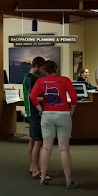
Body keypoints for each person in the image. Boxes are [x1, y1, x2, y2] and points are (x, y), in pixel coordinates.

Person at [30, 60, 78, 189]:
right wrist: (72, 110)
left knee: (46, 147)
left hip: (47, 115)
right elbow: (74, 96)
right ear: (56, 69)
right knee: (64, 149)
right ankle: (68, 181)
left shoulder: (41, 81)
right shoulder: (65, 80)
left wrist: (40, 109)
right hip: (63, 115)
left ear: (44, 70)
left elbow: (32, 96)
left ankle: (42, 177)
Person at [23, 56, 46, 179]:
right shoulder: (31, 79)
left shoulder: (27, 77)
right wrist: (48, 98)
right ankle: (36, 170)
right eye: (42, 67)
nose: (43, 70)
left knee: (32, 140)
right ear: (37, 65)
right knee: (38, 141)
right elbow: (34, 97)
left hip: (30, 112)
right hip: (35, 112)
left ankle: (32, 166)